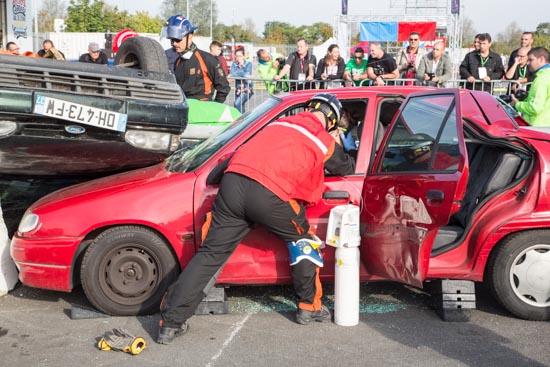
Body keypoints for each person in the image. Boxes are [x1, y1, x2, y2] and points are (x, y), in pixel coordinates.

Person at [157, 93, 355, 345]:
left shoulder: (278, 123)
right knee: (304, 241)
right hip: (269, 194)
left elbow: (233, 157)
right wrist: (336, 142)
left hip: (233, 183)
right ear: (331, 120)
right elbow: (346, 168)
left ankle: (170, 323)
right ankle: (309, 306)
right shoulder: (323, 139)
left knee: (210, 254)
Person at [164, 14, 230, 103]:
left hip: (204, 112)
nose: (174, 43)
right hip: (184, 110)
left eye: (178, 40)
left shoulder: (207, 59)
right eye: (172, 40)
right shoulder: (178, 62)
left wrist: (214, 108)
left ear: (190, 37)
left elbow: (224, 87)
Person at [511, 47, 550, 126]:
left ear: (541, 59)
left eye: (531, 60)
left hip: (538, 126)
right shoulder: (546, 75)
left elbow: (535, 107)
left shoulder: (541, 79)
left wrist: (517, 104)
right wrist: (527, 96)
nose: (528, 63)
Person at [229, 48, 253, 113]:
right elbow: (232, 74)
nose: (238, 58)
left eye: (240, 56)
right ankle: (243, 120)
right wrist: (241, 74)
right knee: (240, 105)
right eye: (236, 56)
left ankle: (242, 120)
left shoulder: (248, 64)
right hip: (238, 89)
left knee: (237, 103)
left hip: (247, 89)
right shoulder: (234, 64)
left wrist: (237, 73)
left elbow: (247, 75)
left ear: (243, 56)